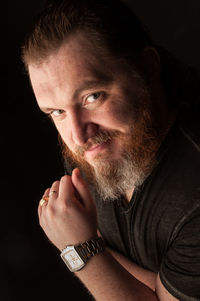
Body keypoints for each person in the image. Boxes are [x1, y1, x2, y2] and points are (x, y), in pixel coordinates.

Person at [22, 0, 200, 300]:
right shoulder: (94, 150)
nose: (77, 136)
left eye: (93, 97)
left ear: (147, 68)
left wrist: (79, 248)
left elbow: (87, 242)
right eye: (56, 112)